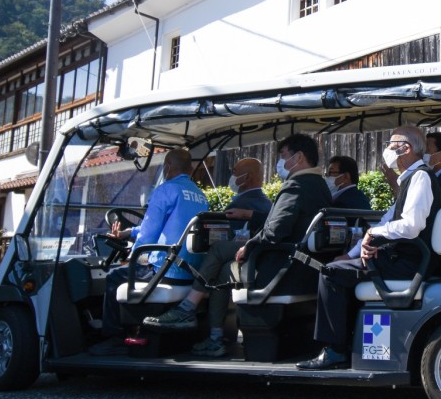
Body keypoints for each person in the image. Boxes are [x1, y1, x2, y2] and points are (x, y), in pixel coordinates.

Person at [148, 135, 331, 357]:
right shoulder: (320, 186)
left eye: (283, 156)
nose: (280, 163)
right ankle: (214, 337)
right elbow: (289, 221)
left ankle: (188, 311)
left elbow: (274, 232)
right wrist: (252, 217)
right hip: (302, 268)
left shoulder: (295, 186)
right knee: (223, 270)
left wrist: (249, 246)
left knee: (218, 251)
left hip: (280, 267)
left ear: (299, 157)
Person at [298, 126, 441, 370]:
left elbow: (411, 226)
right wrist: (352, 252)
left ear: (405, 148)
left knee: (330, 274)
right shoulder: (411, 178)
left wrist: (373, 234)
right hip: (404, 258)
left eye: (391, 144)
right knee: (339, 265)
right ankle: (347, 342)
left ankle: (335, 350)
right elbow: (388, 220)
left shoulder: (420, 177)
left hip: (409, 263)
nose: (387, 149)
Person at [142, 157, 272, 356]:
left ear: (248, 177)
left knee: (217, 259)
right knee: (218, 271)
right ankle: (214, 336)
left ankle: (190, 313)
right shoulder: (263, 202)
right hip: (246, 260)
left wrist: (137, 252)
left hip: (245, 260)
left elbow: (222, 239)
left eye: (235, 172)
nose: (232, 176)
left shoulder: (243, 204)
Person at [89, 148, 208, 355]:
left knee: (115, 277)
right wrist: (128, 233)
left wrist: (132, 257)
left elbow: (148, 234)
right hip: (190, 269)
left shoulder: (165, 190)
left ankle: (114, 337)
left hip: (166, 268)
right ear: (189, 169)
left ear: (168, 167)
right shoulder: (199, 195)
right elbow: (168, 226)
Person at [325, 155, 372, 221]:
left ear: (346, 176)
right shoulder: (359, 196)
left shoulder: (341, 203)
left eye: (331, 173)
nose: (328, 177)